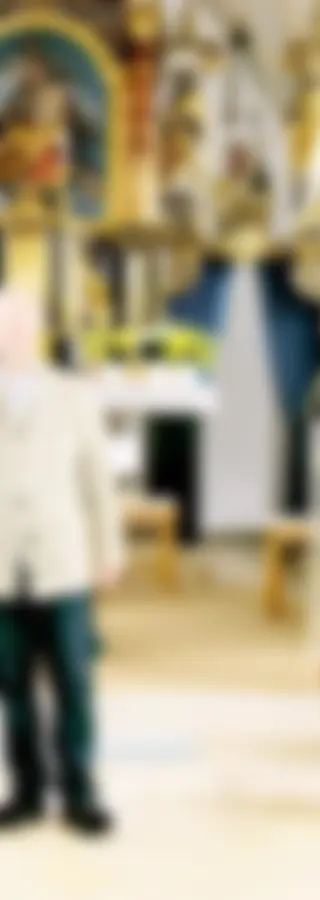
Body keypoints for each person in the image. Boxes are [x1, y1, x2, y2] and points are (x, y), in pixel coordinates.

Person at [0, 286, 123, 836]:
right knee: (14, 689)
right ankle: (26, 792)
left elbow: (98, 483)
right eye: (3, 325)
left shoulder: (72, 396)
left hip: (63, 562)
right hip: (3, 569)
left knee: (74, 682)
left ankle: (80, 793)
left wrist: (107, 550)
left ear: (36, 328)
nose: (11, 335)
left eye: (19, 323)